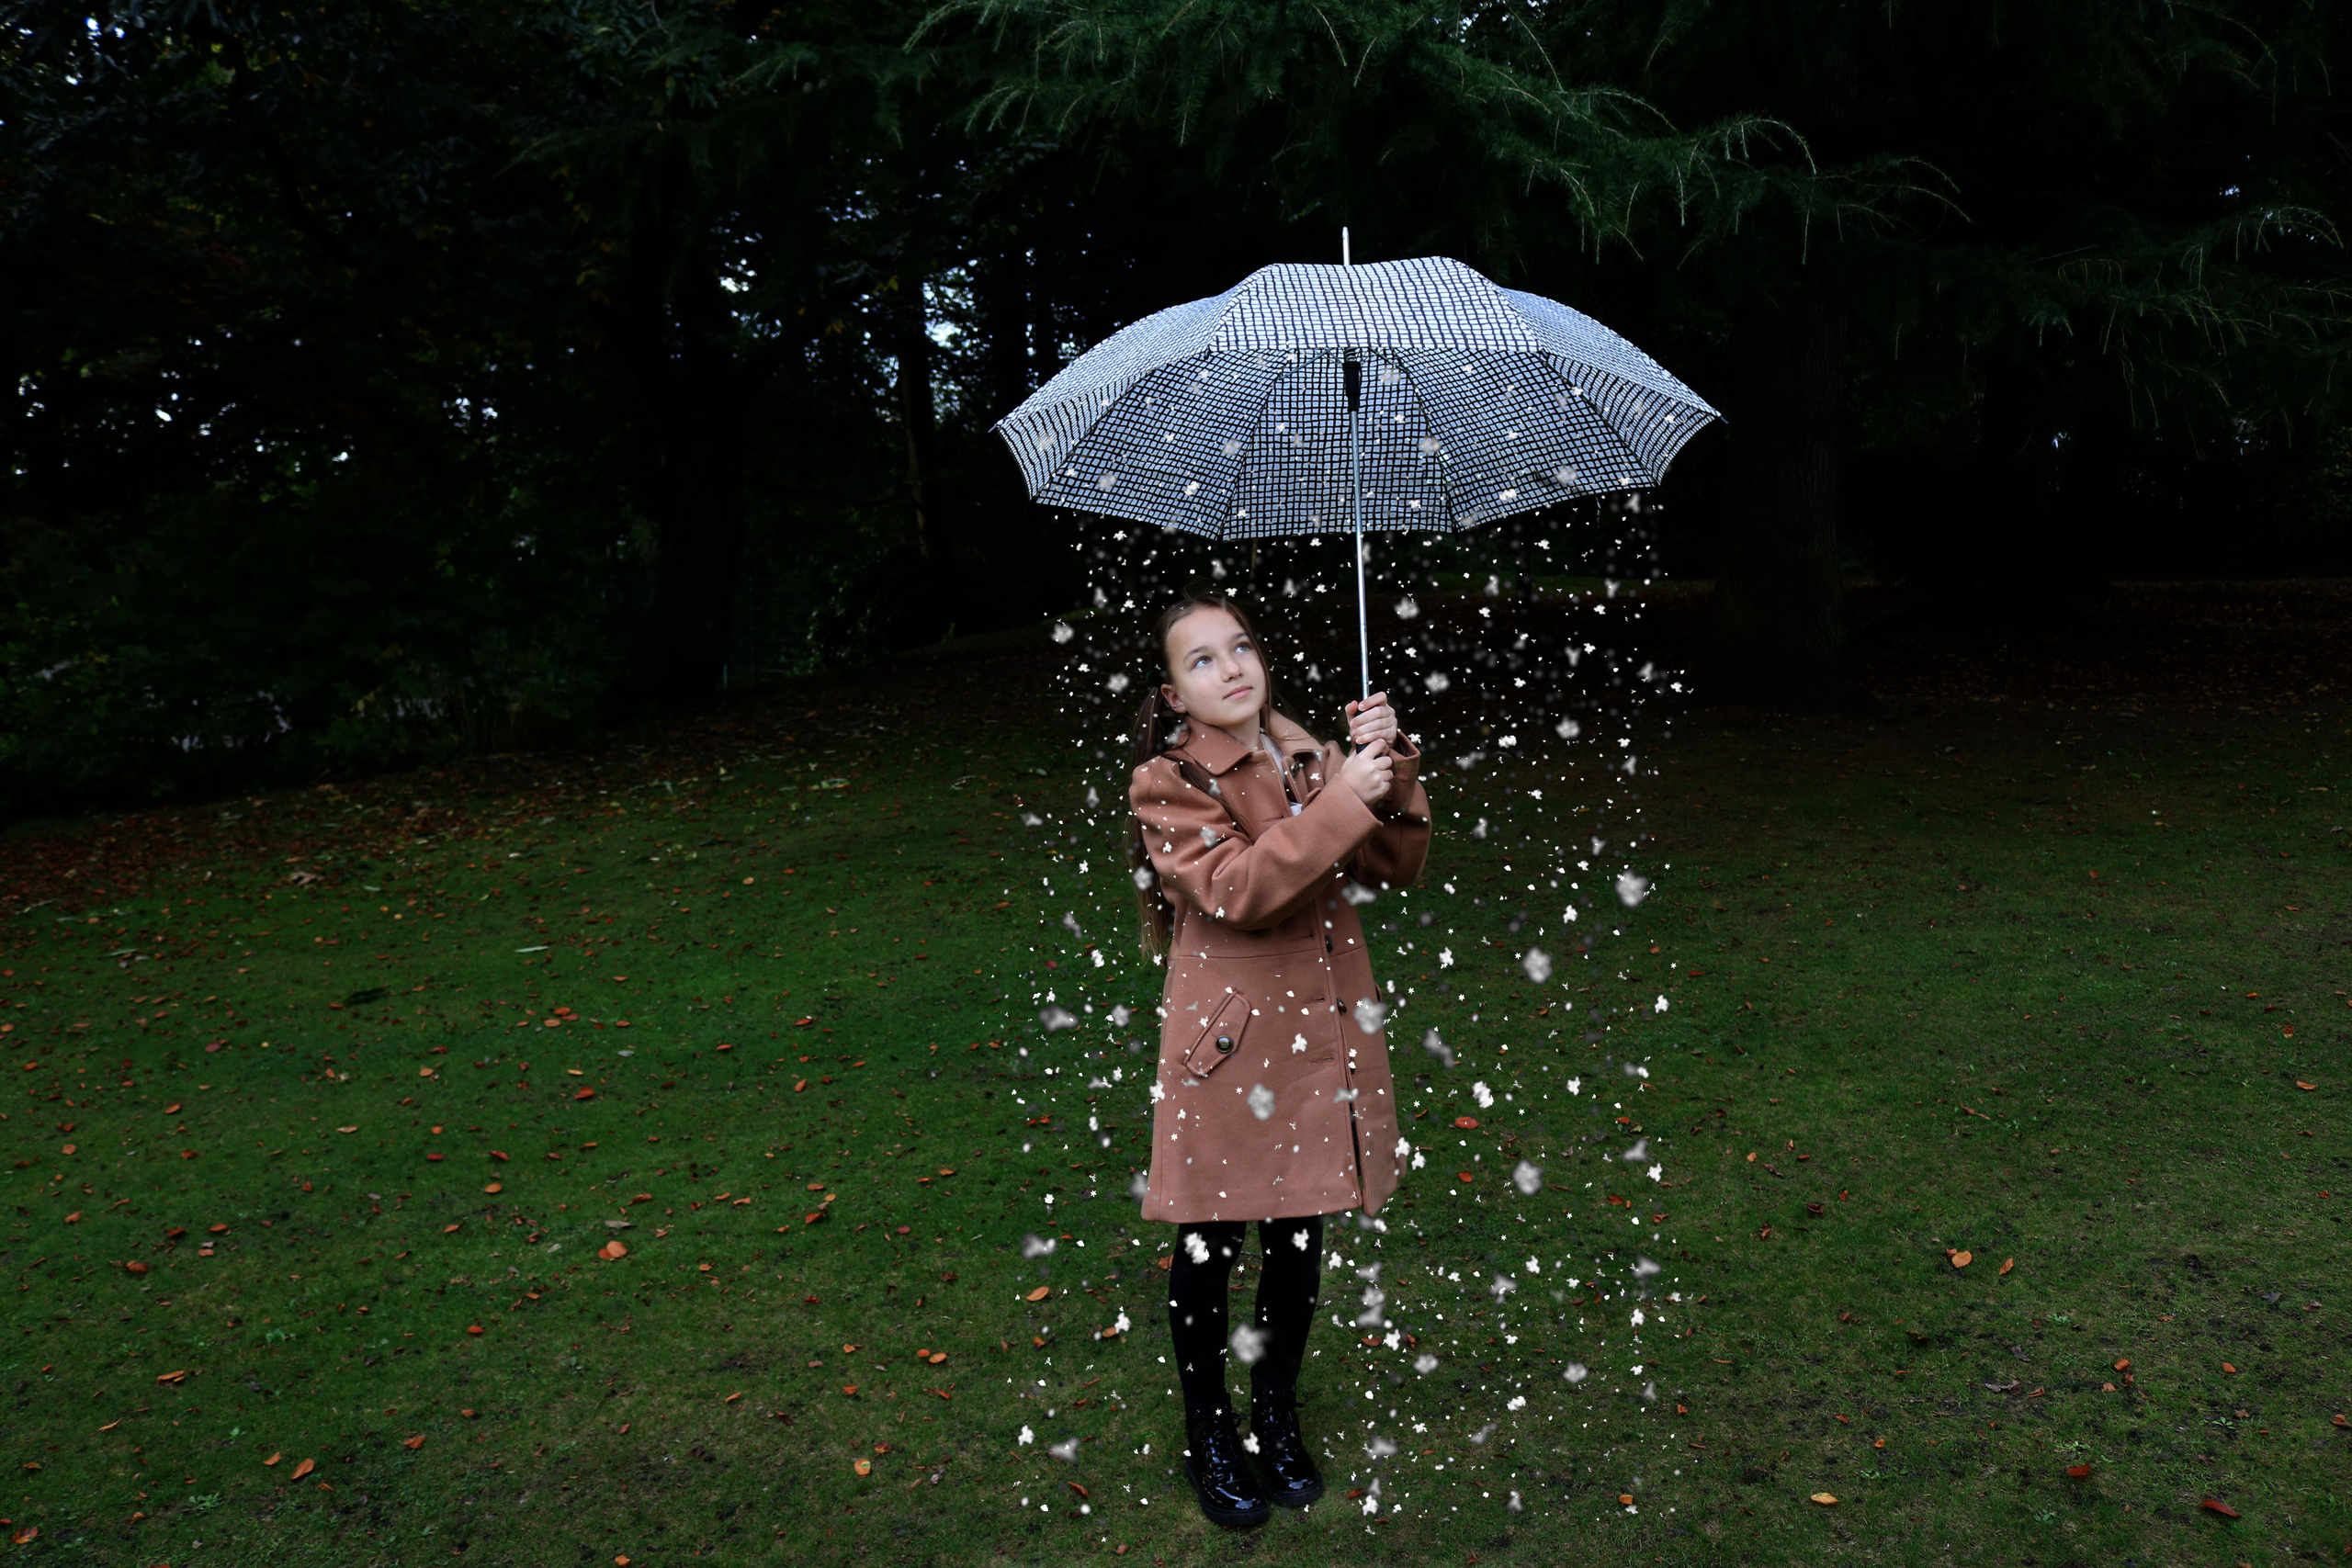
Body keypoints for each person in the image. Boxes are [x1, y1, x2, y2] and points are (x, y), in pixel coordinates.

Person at [1125, 590, 1432, 1529]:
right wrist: (1341, 801)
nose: (1232, 669)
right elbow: (1240, 888)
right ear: (1174, 694)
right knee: (1212, 1246)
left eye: (1241, 647)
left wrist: (1391, 764)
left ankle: (1274, 1411)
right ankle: (1209, 1429)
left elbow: (1392, 864)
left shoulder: (1309, 756)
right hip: (1229, 1052)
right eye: (1203, 660)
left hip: (1314, 1042)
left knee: (1298, 1245)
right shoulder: (1166, 780)